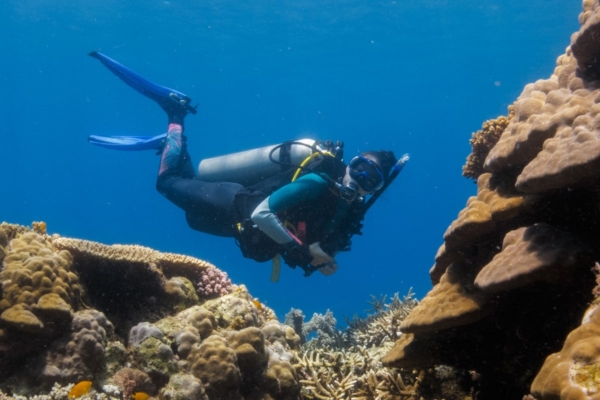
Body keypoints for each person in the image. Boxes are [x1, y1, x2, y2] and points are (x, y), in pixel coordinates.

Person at [88, 52, 408, 278]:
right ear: (349, 163)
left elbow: (318, 250)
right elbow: (261, 213)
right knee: (167, 183)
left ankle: (168, 144)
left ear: (375, 189)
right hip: (237, 203)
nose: (359, 179)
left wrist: (322, 259)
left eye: (371, 179)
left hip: (244, 231)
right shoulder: (319, 183)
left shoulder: (351, 215)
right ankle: (175, 113)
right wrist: (295, 247)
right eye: (360, 167)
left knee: (190, 218)